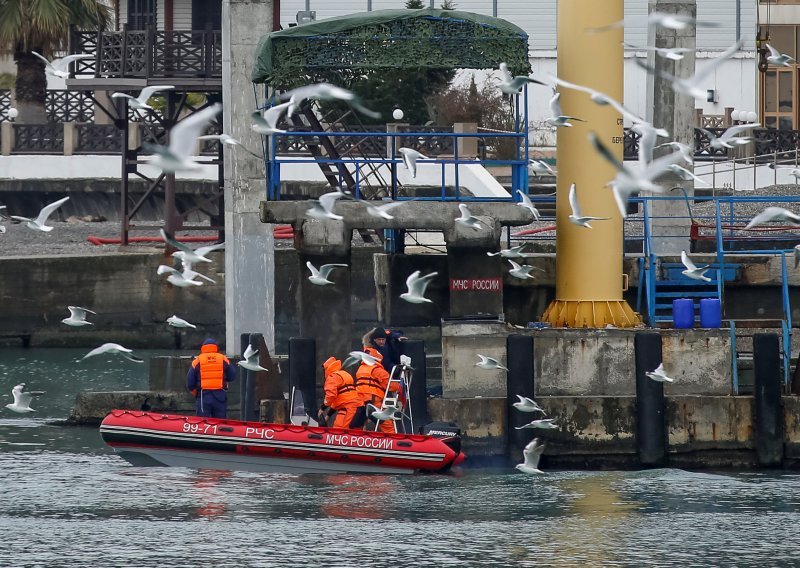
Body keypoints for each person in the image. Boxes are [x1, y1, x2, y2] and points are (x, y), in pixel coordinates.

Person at [186, 338, 236, 418]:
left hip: (203, 396)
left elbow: (190, 382)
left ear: (203, 348)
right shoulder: (223, 359)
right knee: (220, 424)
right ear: (216, 347)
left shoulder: (197, 361)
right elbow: (232, 376)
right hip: (220, 396)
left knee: (201, 423)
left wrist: (196, 394)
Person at [355, 346, 400, 433]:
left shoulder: (361, 368)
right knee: (386, 424)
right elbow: (391, 385)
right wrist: (400, 386)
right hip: (373, 401)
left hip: (360, 401)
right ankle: (393, 441)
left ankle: (355, 439)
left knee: (358, 423)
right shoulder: (377, 370)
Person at [320, 356, 362, 429]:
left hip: (347, 409)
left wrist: (322, 408)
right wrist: (328, 416)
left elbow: (331, 396)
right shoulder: (344, 374)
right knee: (354, 432)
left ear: (327, 369)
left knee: (341, 431)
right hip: (356, 407)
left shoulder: (332, 377)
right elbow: (339, 398)